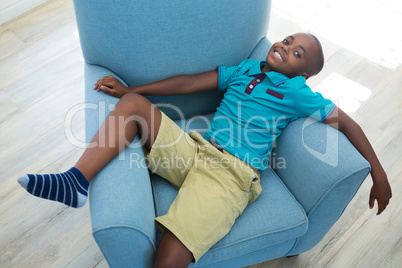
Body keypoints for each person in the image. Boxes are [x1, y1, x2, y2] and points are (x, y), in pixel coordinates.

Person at [18, 33, 392, 267]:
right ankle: (75, 181)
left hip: (230, 177)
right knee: (132, 104)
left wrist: (378, 171)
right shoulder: (248, 69)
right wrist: (134, 86)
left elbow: (348, 123)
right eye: (289, 40)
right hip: (195, 151)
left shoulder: (297, 94)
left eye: (298, 54)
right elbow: (189, 82)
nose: (286, 47)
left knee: (170, 253)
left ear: (304, 75)